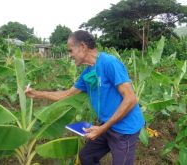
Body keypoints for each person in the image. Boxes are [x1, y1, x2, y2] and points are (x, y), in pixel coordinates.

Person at [25, 30, 145, 165]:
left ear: (82, 46)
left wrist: (102, 128)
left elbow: (131, 99)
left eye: (70, 50)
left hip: (125, 130)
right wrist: (37, 93)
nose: (70, 55)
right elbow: (67, 94)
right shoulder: (87, 72)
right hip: (107, 125)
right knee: (87, 156)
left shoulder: (109, 63)